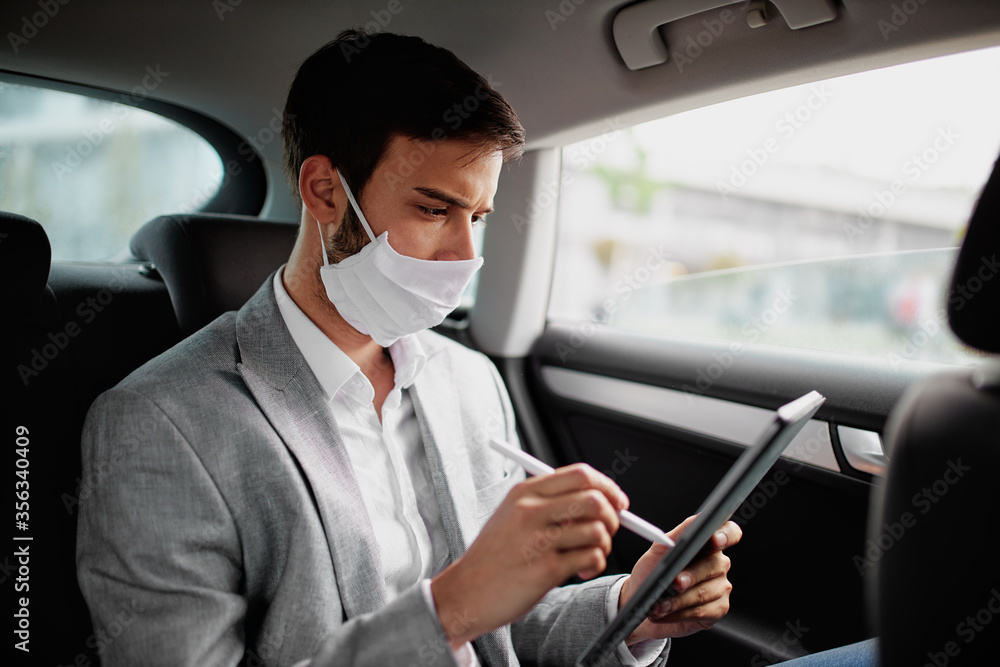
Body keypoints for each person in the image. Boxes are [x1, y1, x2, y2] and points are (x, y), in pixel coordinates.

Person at [76, 30, 873, 667]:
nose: (463, 254)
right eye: (433, 208)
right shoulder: (157, 424)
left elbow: (507, 626)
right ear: (324, 191)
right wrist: (450, 604)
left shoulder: (466, 379)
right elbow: (470, 604)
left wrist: (629, 609)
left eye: (480, 218)